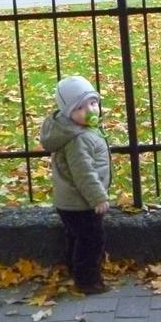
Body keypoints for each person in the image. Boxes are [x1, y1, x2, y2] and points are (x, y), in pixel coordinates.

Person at [40, 75, 111, 294]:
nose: (90, 110)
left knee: (76, 237)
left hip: (70, 202)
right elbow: (84, 173)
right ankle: (87, 280)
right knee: (91, 240)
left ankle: (74, 269)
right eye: (80, 108)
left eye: (93, 103)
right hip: (81, 202)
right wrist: (98, 198)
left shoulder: (80, 130)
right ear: (68, 113)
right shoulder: (78, 139)